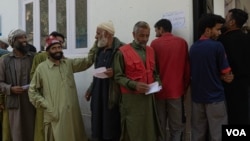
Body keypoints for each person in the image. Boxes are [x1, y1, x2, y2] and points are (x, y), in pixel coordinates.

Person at [30, 31, 97, 141]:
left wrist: (96, 43)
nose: (57, 50)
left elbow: (87, 61)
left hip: (72, 113)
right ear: (48, 51)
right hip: (55, 114)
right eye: (54, 48)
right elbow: (32, 91)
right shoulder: (41, 68)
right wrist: (45, 104)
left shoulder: (68, 64)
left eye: (59, 47)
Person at [114, 21, 162, 141]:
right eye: (141, 35)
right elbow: (118, 76)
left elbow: (154, 72)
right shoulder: (122, 52)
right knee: (133, 130)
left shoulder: (151, 51)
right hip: (131, 100)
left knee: (149, 130)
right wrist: (134, 85)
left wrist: (158, 82)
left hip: (148, 98)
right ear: (133, 34)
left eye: (147, 35)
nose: (145, 39)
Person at [189, 13, 234, 141]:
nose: (219, 33)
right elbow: (227, 73)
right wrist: (224, 76)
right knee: (218, 133)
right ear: (208, 30)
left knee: (198, 133)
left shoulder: (193, 48)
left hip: (197, 98)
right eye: (217, 29)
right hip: (215, 98)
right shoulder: (217, 46)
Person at [150, 19, 190, 141]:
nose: (155, 32)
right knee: (177, 126)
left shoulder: (154, 44)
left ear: (161, 29)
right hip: (176, 91)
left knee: (160, 125)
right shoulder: (182, 43)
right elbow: (187, 69)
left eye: (156, 30)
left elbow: (152, 68)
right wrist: (184, 87)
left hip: (159, 91)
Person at [84, 21, 124, 141]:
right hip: (98, 93)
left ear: (106, 34)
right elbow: (97, 73)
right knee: (97, 124)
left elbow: (129, 73)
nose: (95, 37)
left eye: (97, 33)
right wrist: (91, 89)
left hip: (112, 95)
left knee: (111, 126)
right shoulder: (99, 50)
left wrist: (115, 73)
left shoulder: (122, 49)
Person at [0, 29, 36, 141]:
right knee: (17, 133)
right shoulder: (4, 60)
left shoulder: (34, 58)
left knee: (33, 131)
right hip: (14, 103)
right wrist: (10, 89)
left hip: (32, 102)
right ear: (13, 41)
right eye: (21, 38)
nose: (24, 40)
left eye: (25, 37)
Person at [218, 8, 250, 124]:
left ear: (232, 22)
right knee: (242, 115)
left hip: (227, 84)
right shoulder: (247, 38)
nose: (224, 22)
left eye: (226, 18)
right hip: (244, 84)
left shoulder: (221, 41)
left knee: (229, 116)